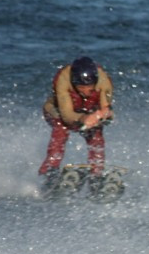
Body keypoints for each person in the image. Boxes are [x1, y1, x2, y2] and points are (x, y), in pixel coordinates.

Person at [38, 56, 114, 189]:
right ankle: (51, 171)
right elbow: (67, 116)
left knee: (96, 137)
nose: (85, 92)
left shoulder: (103, 81)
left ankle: (96, 175)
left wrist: (101, 116)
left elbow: (107, 110)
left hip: (88, 111)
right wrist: (84, 119)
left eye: (89, 88)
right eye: (81, 88)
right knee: (60, 130)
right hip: (57, 112)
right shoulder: (63, 80)